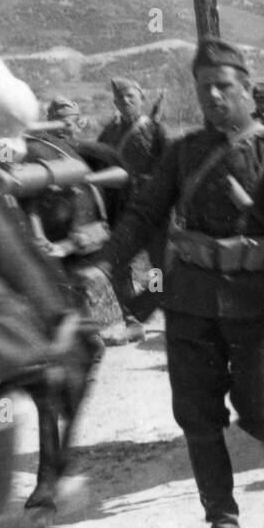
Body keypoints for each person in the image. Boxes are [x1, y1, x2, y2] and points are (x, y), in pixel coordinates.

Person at [104, 37, 264, 528]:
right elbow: (143, 214)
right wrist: (103, 261)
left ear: (247, 89)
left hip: (256, 305)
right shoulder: (183, 153)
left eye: (224, 87)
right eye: (204, 89)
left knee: (262, 410)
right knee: (197, 416)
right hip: (191, 303)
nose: (213, 97)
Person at [98, 79, 169, 342]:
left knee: (158, 264)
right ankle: (132, 319)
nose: (125, 102)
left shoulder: (157, 129)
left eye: (130, 96)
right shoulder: (109, 132)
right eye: (120, 99)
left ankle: (156, 302)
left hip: (153, 208)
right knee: (118, 264)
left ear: (141, 98)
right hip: (121, 207)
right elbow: (97, 159)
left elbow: (172, 167)